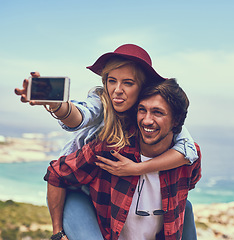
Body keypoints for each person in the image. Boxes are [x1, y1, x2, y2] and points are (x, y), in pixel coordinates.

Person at [15, 44, 199, 239]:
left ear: (143, 87)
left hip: (104, 190)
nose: (117, 90)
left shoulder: (159, 120)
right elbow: (80, 115)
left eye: (128, 82)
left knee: (185, 206)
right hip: (76, 186)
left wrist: (137, 169)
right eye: (112, 81)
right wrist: (57, 105)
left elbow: (189, 151)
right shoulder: (102, 103)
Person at [45, 78, 201, 240]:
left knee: (187, 208)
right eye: (142, 110)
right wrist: (58, 233)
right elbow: (56, 174)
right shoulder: (111, 149)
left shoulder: (187, 159)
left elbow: (186, 191)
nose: (147, 120)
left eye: (158, 112)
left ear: (176, 120)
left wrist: (139, 169)